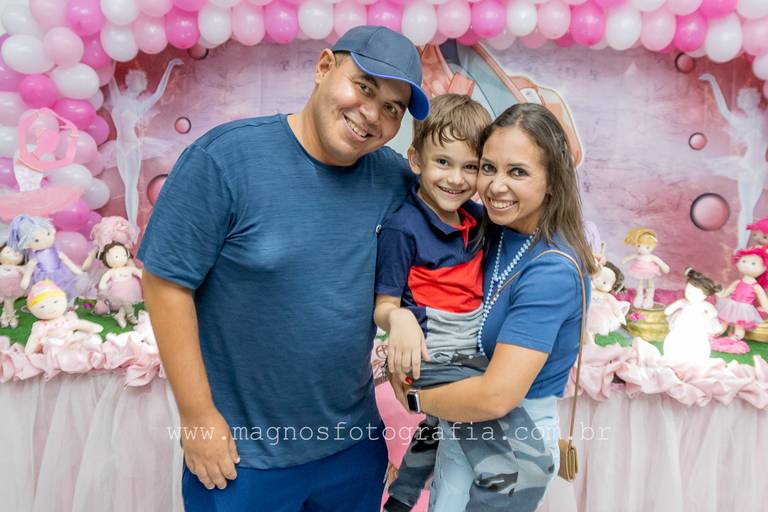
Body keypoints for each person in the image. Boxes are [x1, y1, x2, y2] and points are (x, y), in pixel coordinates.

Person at [137, 26, 429, 511]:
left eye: (393, 108)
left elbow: (424, 263)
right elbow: (165, 283)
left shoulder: (393, 179)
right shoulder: (223, 159)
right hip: (243, 457)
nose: (372, 115)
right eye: (363, 87)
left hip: (354, 450)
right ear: (323, 67)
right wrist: (198, 417)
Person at [390, 103, 597, 512]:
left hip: (514, 444)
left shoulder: (552, 270)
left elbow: (496, 397)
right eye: (488, 167)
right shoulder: (490, 228)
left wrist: (415, 398)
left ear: (552, 181)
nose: (496, 186)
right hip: (460, 424)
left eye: (517, 172)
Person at [372, 94, 491, 512]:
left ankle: (401, 499)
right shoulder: (403, 227)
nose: (456, 178)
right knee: (486, 423)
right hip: (430, 354)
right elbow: (383, 306)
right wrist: (398, 318)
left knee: (438, 428)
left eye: (470, 167)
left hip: (469, 347)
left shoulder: (478, 219)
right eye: (443, 162)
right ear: (416, 160)